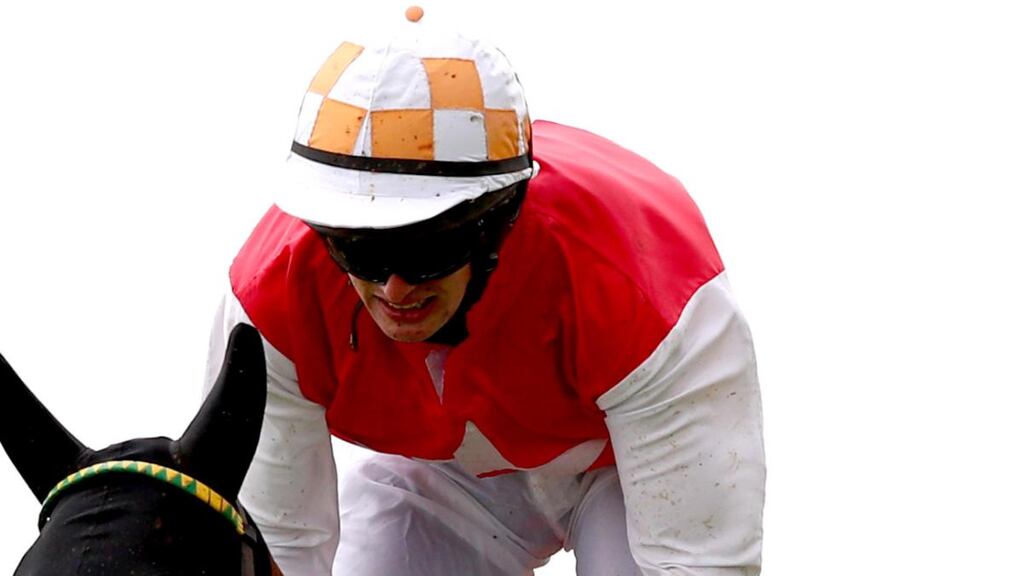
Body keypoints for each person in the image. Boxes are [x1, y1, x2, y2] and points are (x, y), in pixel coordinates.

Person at [204, 8, 765, 576]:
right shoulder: (270, 298)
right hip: (449, 476)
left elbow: (701, 563)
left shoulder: (636, 278)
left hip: (626, 462)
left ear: (498, 218)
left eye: (428, 249)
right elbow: (277, 547)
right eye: (359, 250)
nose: (393, 286)